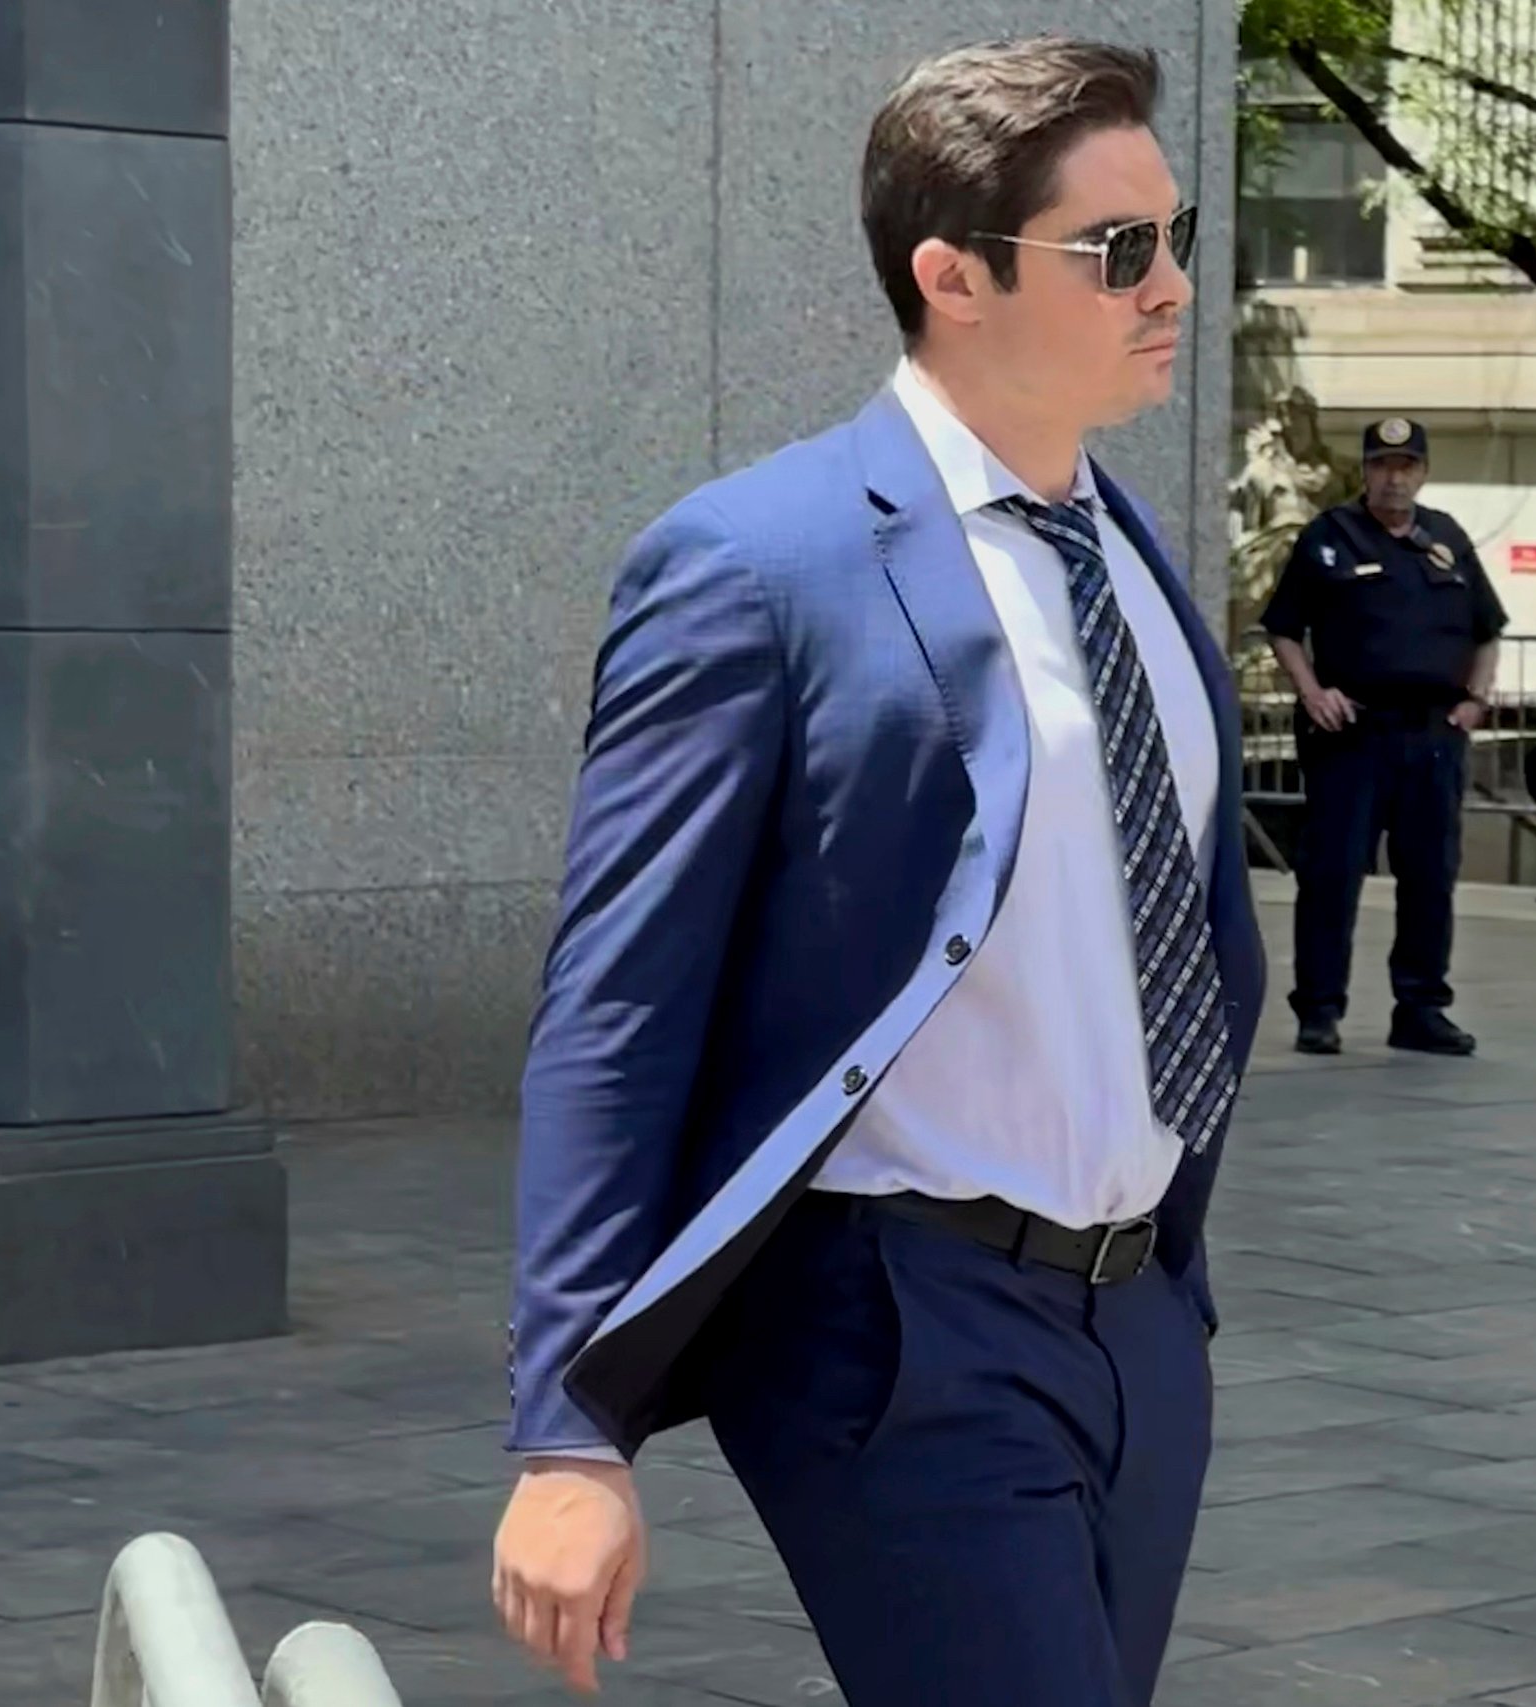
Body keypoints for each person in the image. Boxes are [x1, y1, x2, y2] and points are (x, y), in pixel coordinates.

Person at [489, 37, 1266, 1707]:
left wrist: (1170, 1299)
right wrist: (568, 1428)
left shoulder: (1131, 554)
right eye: (1118, 249)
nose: (1171, 287)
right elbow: (618, 1009)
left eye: (1177, 234)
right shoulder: (756, 563)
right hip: (902, 1328)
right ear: (953, 276)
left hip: (1137, 1321)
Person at [1260, 417, 1504, 1058]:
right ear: (1365, 471)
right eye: (1382, 466)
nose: (1395, 478)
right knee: (1332, 874)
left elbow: (1488, 629)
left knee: (1430, 877)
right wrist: (1313, 692)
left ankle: (1421, 1009)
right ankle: (1319, 1010)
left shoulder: (1446, 539)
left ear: (1423, 473)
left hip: (1433, 735)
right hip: (1353, 734)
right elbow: (1284, 628)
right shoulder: (1330, 537)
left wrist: (1476, 700)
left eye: (1406, 466)